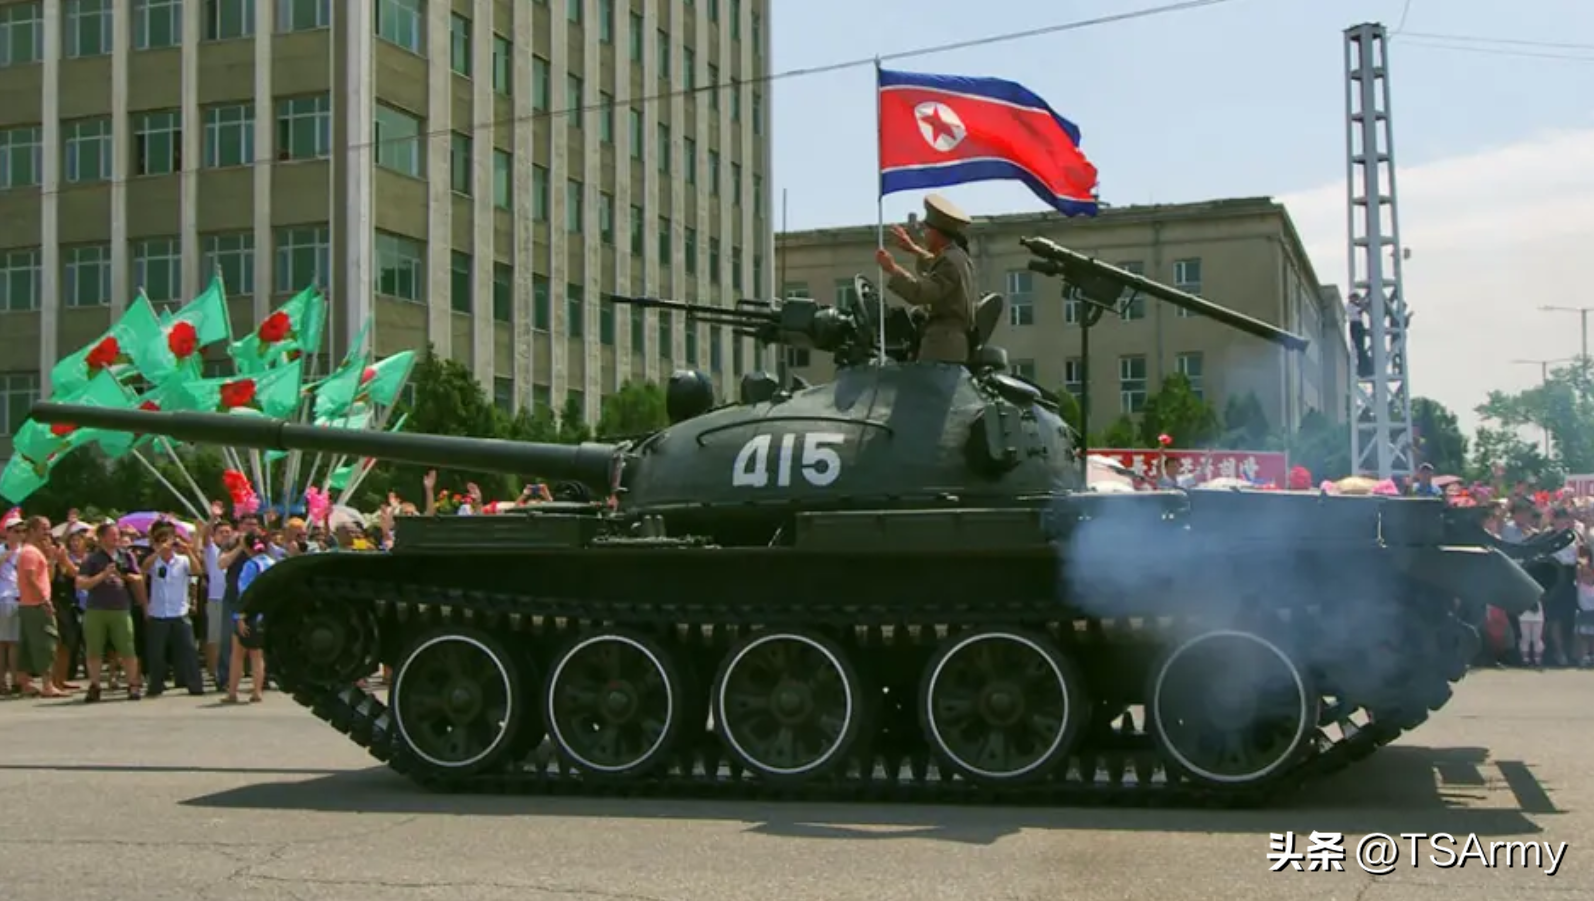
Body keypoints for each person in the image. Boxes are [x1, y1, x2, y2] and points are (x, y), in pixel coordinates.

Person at [874, 193, 977, 364]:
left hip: (942, 344)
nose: (923, 236)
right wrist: (913, 248)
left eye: (925, 231)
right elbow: (935, 263)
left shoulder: (949, 262)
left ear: (935, 233)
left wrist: (892, 269)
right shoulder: (957, 256)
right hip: (948, 341)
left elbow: (920, 293)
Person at [77, 521, 144, 702]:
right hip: (96, 609)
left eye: (117, 534)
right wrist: (103, 575)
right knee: (94, 649)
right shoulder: (92, 559)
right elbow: (81, 583)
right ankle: (95, 685)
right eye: (112, 535)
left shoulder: (126, 555)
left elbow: (138, 577)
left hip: (121, 608)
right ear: (101, 538)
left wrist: (126, 576)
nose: (116, 538)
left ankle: (133, 684)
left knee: (127, 647)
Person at [225, 535, 273, 704]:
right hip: (264, 614)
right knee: (257, 655)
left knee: (237, 655)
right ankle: (257, 691)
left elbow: (244, 592)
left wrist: (240, 616)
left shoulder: (250, 565)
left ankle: (232, 692)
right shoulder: (271, 563)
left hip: (249, 614)